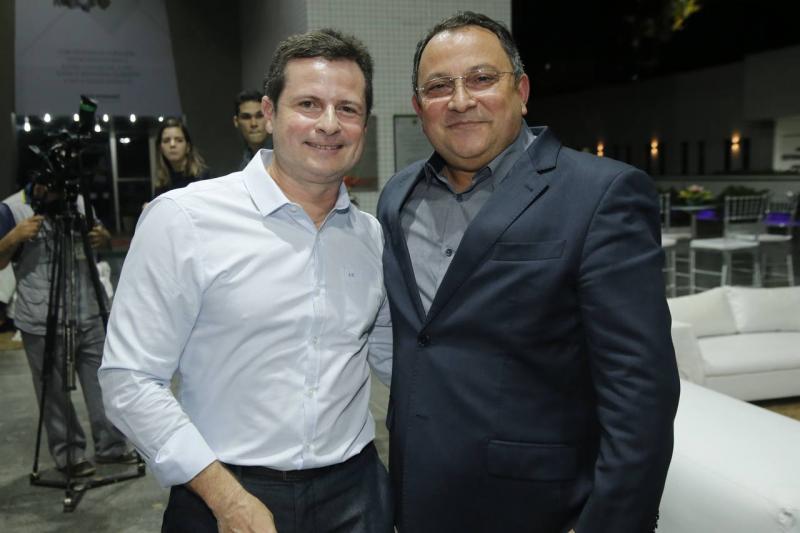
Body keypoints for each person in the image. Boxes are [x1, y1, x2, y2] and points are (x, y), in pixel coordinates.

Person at [377, 11, 680, 533]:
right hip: (418, 497)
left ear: (521, 91)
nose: (460, 100)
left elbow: (640, 393)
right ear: (419, 107)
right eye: (439, 87)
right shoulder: (397, 198)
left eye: (481, 78)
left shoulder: (601, 194)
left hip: (542, 507)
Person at [100, 28, 392, 533]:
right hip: (221, 493)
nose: (329, 124)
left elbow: (395, 355)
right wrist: (226, 499)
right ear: (270, 113)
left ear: (364, 125)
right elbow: (129, 379)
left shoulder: (370, 236)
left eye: (347, 109)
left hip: (356, 494)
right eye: (308, 104)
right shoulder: (185, 219)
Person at [0, 181, 136, 477]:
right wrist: (13, 237)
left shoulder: (79, 201)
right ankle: (69, 455)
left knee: (102, 383)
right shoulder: (12, 209)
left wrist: (103, 238)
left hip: (88, 309)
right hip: (41, 318)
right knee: (54, 393)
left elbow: (100, 242)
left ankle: (112, 446)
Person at [154, 118, 210, 197]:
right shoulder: (161, 185)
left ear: (188, 147)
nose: (172, 144)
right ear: (160, 148)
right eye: (166, 141)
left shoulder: (204, 179)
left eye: (179, 140)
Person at [234, 89, 273, 170]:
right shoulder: (242, 164)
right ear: (236, 121)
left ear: (270, 117)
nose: (253, 123)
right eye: (246, 117)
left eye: (259, 116)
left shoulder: (285, 157)